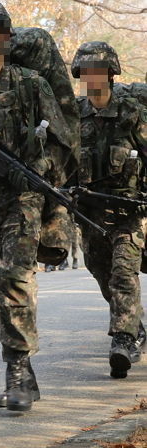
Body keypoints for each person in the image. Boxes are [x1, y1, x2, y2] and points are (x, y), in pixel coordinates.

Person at [0, 0, 73, 411]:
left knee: (13, 278)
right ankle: (22, 366)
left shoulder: (29, 85)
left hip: (21, 198)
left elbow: (63, 143)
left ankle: (17, 371)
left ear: (4, 38)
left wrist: (37, 167)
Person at [71, 41, 147, 378]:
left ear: (111, 74)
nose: (92, 78)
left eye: (98, 71)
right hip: (92, 214)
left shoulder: (132, 113)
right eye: (86, 73)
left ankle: (124, 339)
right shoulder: (76, 115)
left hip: (131, 211)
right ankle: (134, 323)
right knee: (100, 271)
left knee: (123, 272)